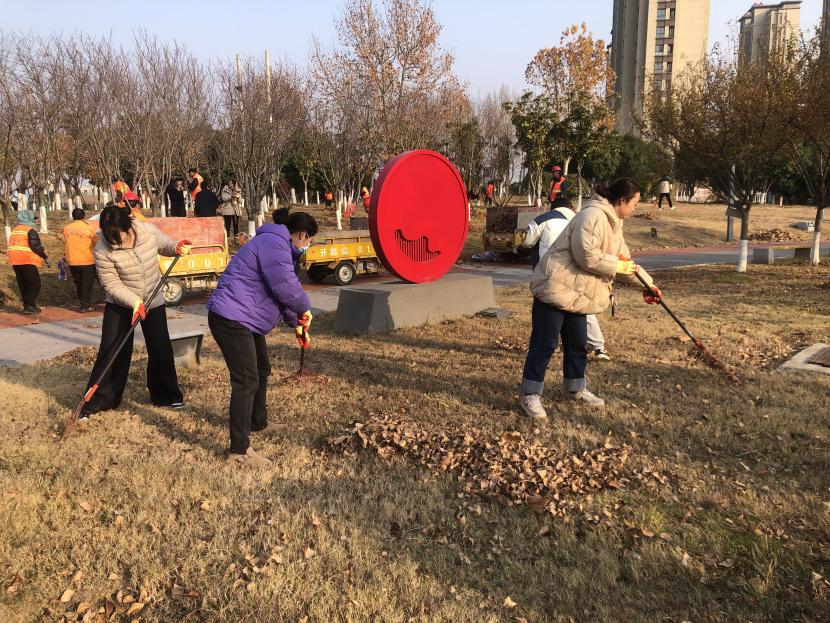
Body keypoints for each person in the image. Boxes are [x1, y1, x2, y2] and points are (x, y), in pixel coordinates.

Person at [520, 178, 661, 420]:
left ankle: (575, 388)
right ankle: (530, 395)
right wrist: (618, 266)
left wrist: (648, 285)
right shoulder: (592, 215)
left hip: (579, 294)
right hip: (556, 287)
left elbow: (625, 261)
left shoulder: (614, 224)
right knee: (544, 344)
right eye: (635, 203)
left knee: (577, 345)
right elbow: (587, 256)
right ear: (622, 200)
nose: (635, 208)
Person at [206, 208, 317, 467]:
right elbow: (287, 287)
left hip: (245, 318)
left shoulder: (278, 245)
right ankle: (239, 451)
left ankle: (258, 422)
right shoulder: (274, 244)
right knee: (246, 380)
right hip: (231, 317)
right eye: (310, 239)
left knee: (262, 369)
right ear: (302, 235)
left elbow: (277, 292)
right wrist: (304, 309)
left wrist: (296, 322)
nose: (308, 245)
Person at [81, 205, 192, 418]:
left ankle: (166, 395)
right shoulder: (102, 249)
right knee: (112, 350)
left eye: (120, 238)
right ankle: (100, 400)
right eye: (112, 240)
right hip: (120, 304)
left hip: (153, 300)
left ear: (129, 226)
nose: (117, 244)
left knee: (160, 348)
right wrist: (134, 302)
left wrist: (177, 247)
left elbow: (165, 245)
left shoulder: (147, 231)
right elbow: (111, 284)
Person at [519, 195, 612, 362]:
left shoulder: (543, 219)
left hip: (551, 277)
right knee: (583, 310)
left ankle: (549, 347)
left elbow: (526, 241)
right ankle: (599, 347)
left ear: (552, 207)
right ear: (570, 207)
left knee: (549, 317)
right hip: (578, 274)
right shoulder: (583, 219)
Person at [7, 209, 48, 314]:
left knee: (24, 284)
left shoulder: (15, 230)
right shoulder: (30, 230)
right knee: (35, 284)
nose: (34, 221)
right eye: (32, 218)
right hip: (26, 259)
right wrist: (45, 257)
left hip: (15, 261)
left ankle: (29, 306)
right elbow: (36, 247)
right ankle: (29, 305)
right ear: (28, 219)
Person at [63, 207, 99, 311]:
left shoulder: (67, 228)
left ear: (73, 217)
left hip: (72, 260)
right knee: (86, 284)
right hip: (86, 260)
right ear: (84, 216)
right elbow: (97, 242)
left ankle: (82, 303)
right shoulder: (89, 228)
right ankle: (85, 305)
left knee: (78, 283)